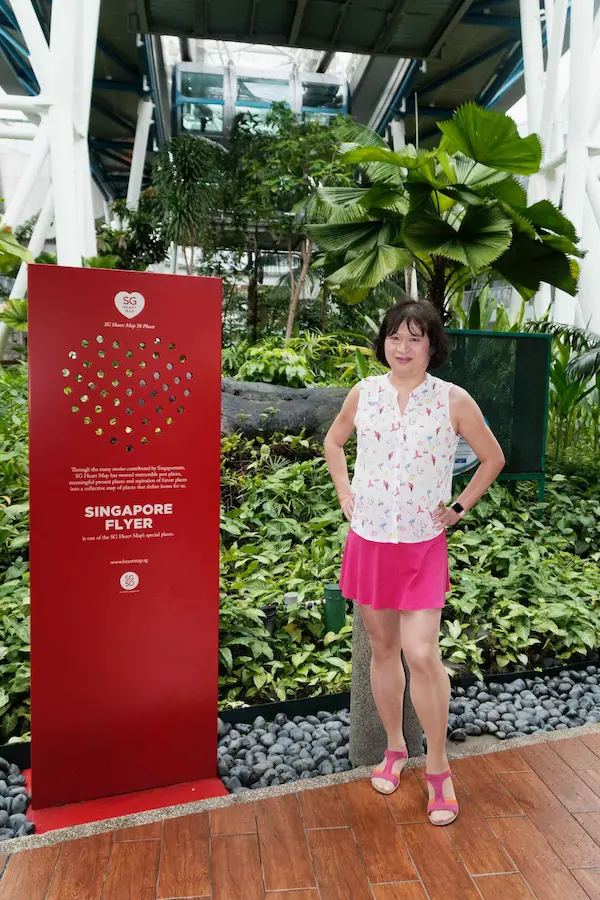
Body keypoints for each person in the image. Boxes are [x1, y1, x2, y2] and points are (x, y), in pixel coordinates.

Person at [324, 298, 505, 826]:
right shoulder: (366, 394)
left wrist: (458, 508)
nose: (402, 348)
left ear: (432, 346)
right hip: (371, 538)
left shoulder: (452, 400)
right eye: (395, 337)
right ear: (384, 343)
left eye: (415, 338)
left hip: (423, 542)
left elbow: (492, 457)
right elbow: (335, 442)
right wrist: (343, 489)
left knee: (422, 653)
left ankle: (439, 768)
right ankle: (396, 748)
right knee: (383, 651)